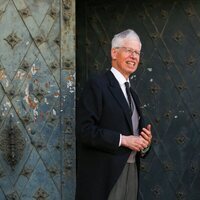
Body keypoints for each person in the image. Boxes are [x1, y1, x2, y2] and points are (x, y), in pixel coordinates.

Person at [76, 29, 152, 200]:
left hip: (132, 173)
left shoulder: (133, 94)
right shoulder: (97, 85)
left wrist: (145, 144)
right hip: (104, 177)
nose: (134, 56)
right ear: (114, 52)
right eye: (129, 50)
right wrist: (122, 139)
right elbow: (84, 131)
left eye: (137, 52)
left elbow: (136, 137)